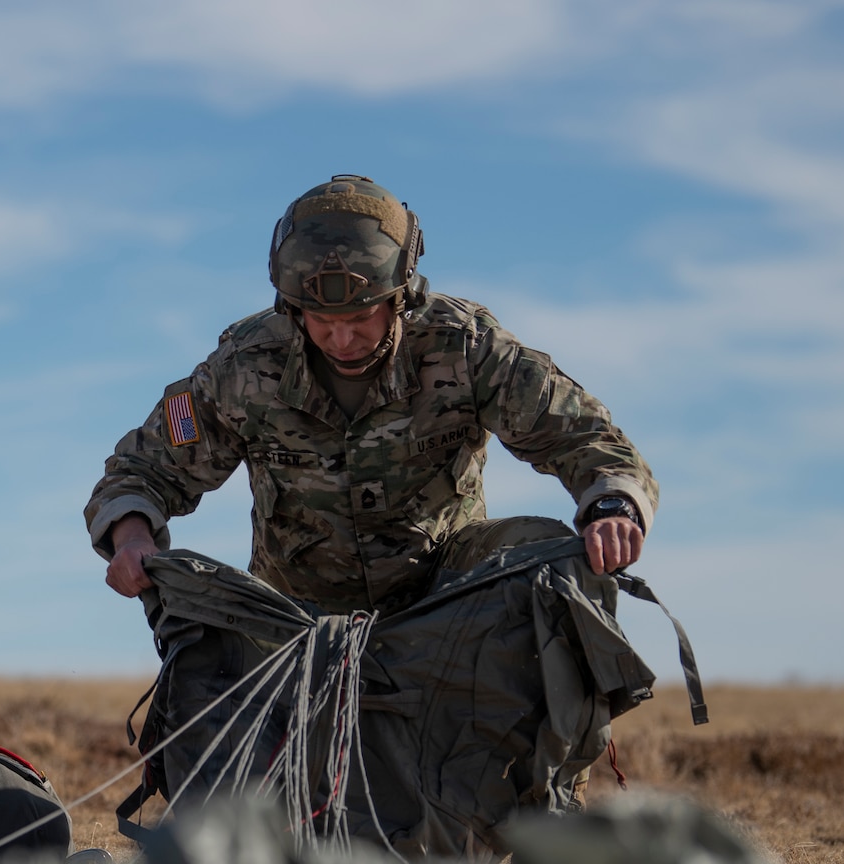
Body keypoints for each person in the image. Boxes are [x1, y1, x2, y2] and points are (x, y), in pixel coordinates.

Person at [87, 175, 654, 615]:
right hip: (293, 615)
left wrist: (611, 507)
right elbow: (143, 469)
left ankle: (542, 770)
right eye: (320, 319)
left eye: (360, 317)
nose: (341, 338)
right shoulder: (241, 369)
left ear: (400, 296)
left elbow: (585, 436)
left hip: (448, 600)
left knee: (548, 558)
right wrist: (132, 536)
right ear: (292, 309)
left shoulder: (466, 348)